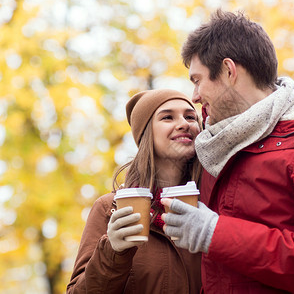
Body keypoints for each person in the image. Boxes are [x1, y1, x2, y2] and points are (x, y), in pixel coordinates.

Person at [161, 10, 294, 294]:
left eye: (197, 80)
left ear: (228, 71)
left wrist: (215, 233)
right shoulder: (215, 146)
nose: (195, 95)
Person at [67, 89, 203, 293]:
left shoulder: (215, 202)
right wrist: (113, 251)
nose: (184, 123)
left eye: (190, 116)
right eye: (167, 117)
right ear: (146, 133)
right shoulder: (110, 208)